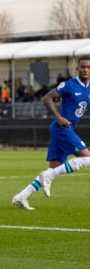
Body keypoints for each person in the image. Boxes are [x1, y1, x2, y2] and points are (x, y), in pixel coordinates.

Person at [12, 57, 90, 210]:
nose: (86, 70)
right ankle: (48, 177)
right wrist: (59, 117)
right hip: (62, 129)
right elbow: (46, 98)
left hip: (67, 130)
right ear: (78, 69)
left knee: (54, 168)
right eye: (83, 67)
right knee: (87, 158)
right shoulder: (69, 85)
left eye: (88, 67)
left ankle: (21, 197)